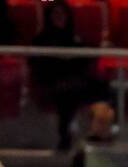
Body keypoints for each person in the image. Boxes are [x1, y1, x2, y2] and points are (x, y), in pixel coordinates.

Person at [30, 1, 102, 151]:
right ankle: (65, 136)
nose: (59, 17)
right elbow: (39, 67)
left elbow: (85, 60)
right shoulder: (41, 40)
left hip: (77, 83)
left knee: (108, 89)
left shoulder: (76, 39)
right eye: (55, 14)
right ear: (49, 17)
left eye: (62, 14)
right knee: (67, 95)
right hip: (53, 86)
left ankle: (104, 134)